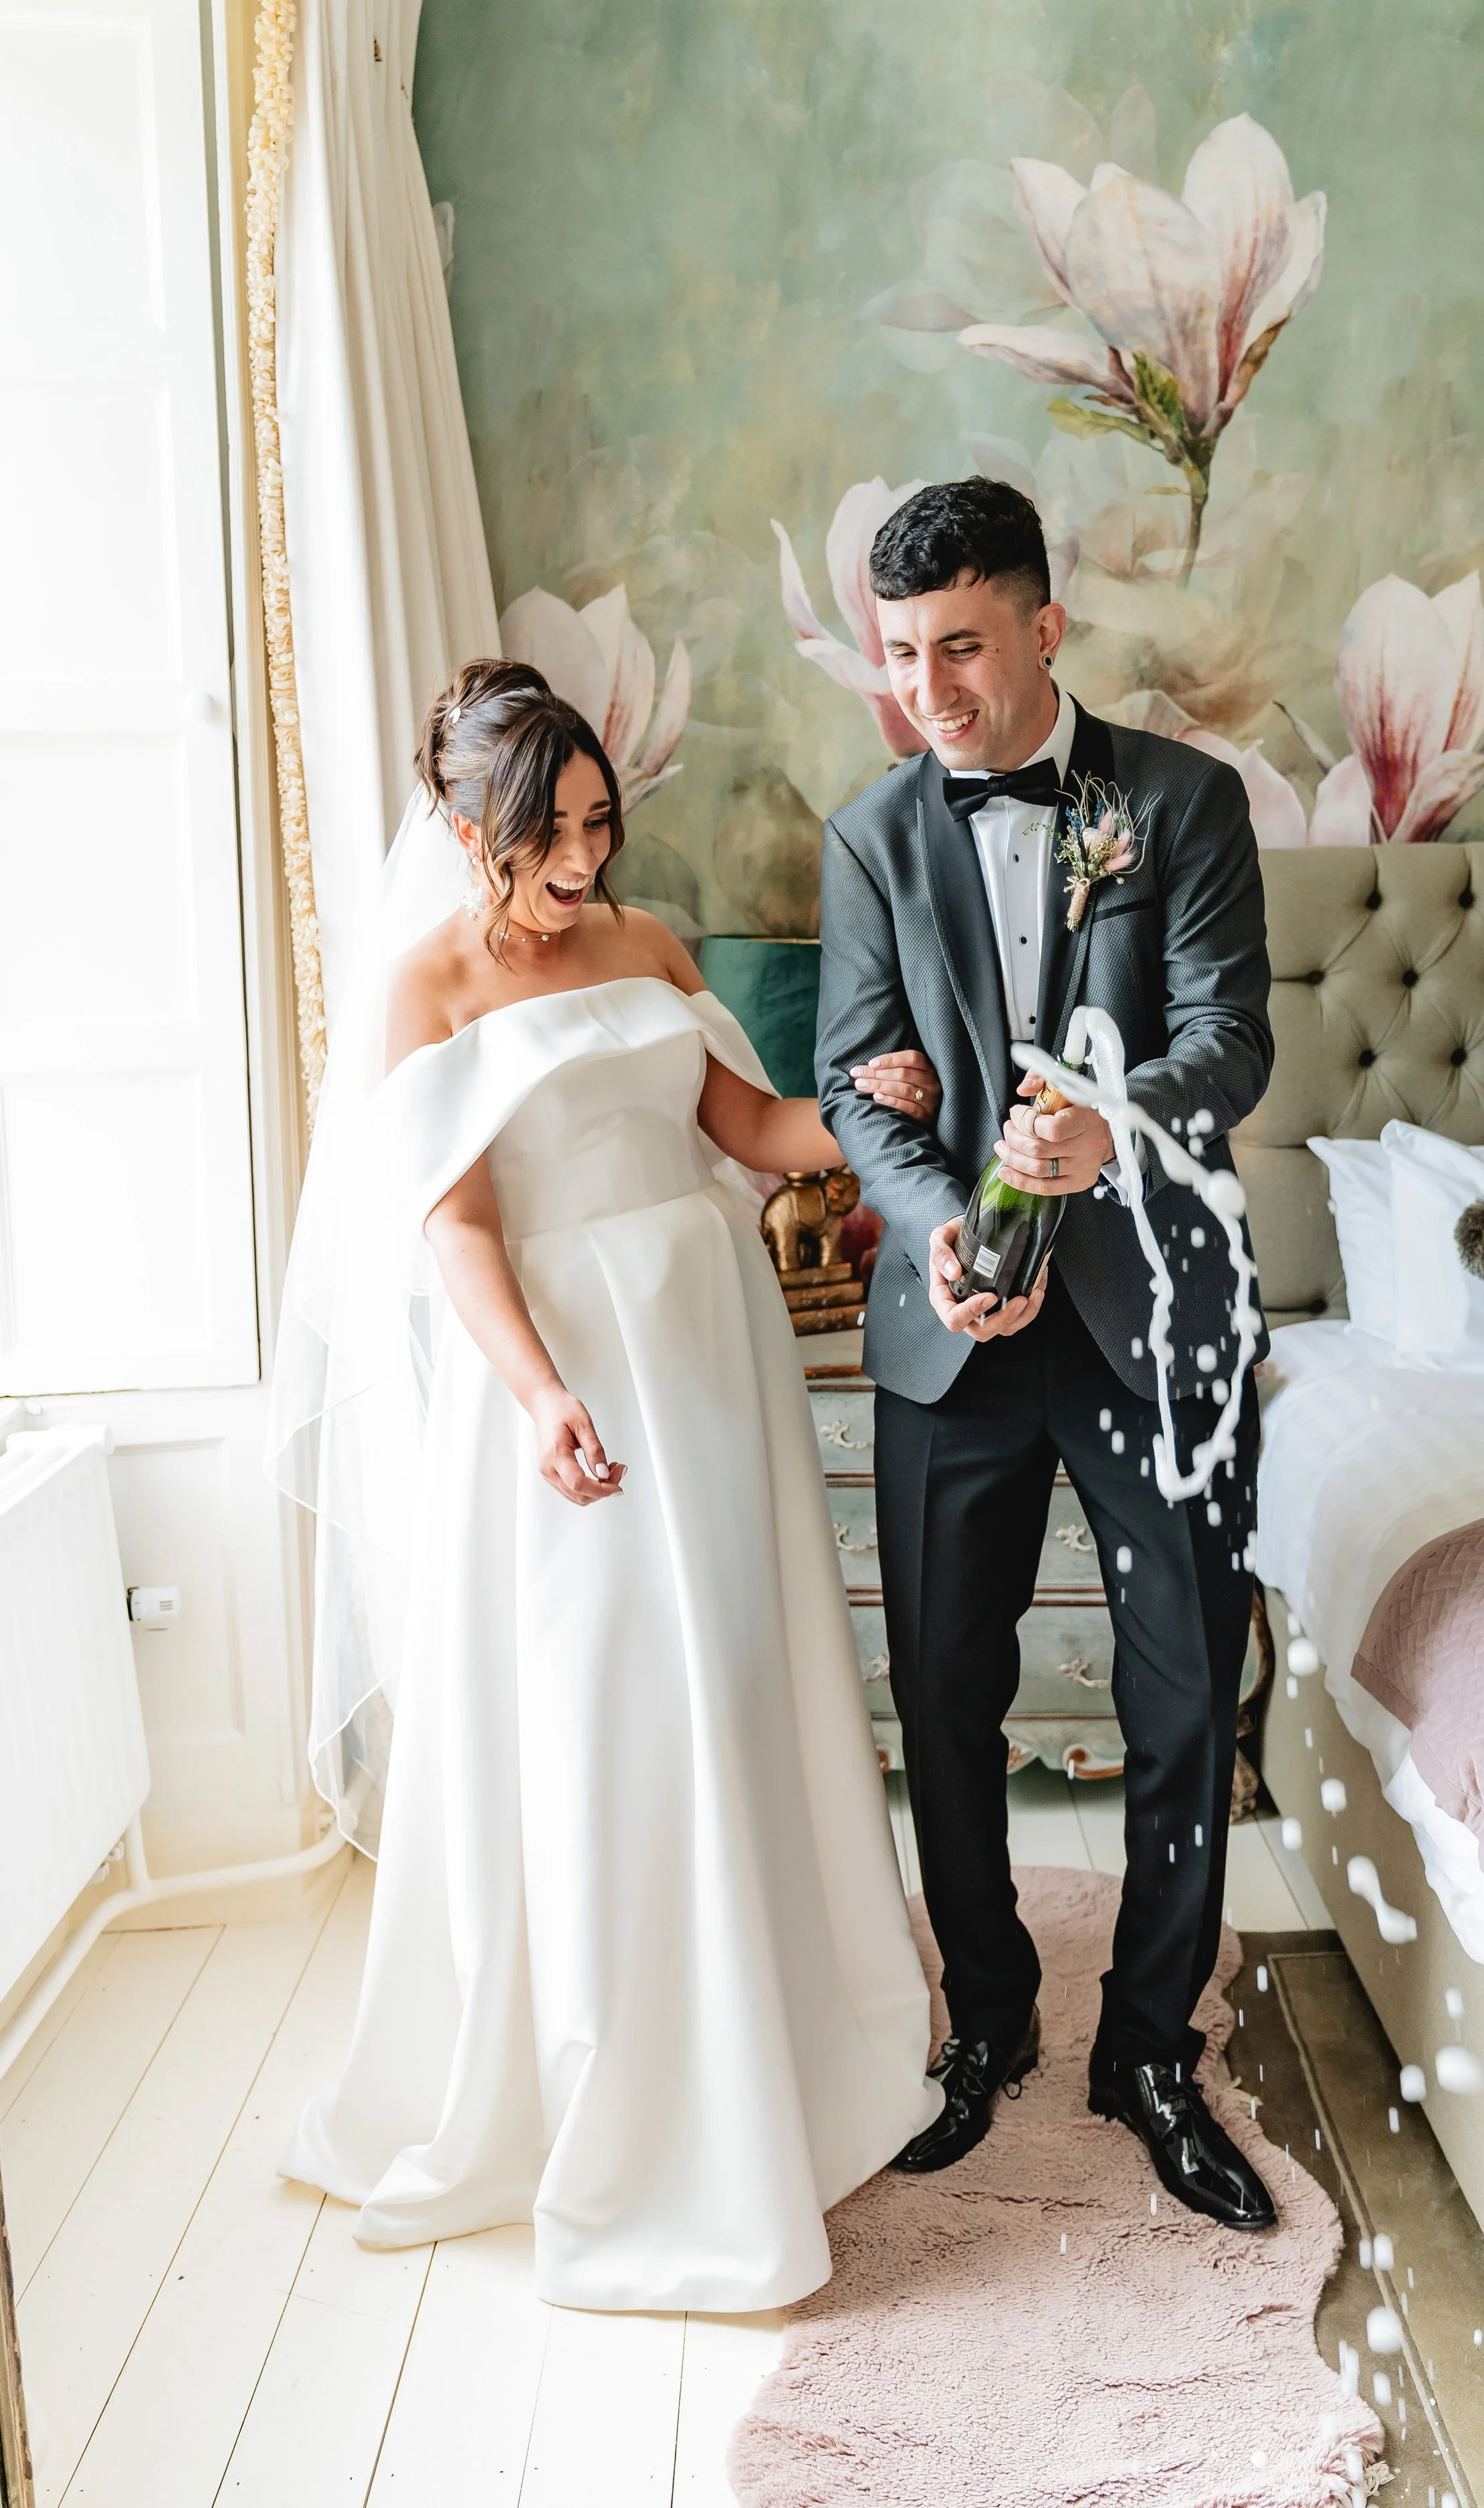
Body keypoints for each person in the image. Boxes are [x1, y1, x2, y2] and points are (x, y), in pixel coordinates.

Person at [274, 659, 947, 2310]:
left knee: (735, 1678)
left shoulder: (647, 943)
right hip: (564, 1368)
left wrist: (868, 1110)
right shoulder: (426, 986)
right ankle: (626, 2081)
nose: (582, 859)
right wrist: (537, 1392)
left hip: (709, 1350)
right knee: (609, 1709)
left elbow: (749, 1131)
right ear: (467, 830)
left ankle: (771, 2037)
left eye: (596, 823)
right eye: (548, 834)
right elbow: (455, 1222)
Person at [816, 478, 1277, 2231]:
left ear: (1042, 628)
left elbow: (1228, 1039)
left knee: (1183, 1698)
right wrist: (940, 1224)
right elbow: (859, 1081)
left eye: (958, 647)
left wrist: (1111, 1121)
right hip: (954, 1337)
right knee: (942, 1699)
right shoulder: (870, 835)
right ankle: (988, 2017)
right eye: (898, 654)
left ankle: (1149, 2048)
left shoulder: (1181, 801)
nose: (925, 687)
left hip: (1151, 1317)